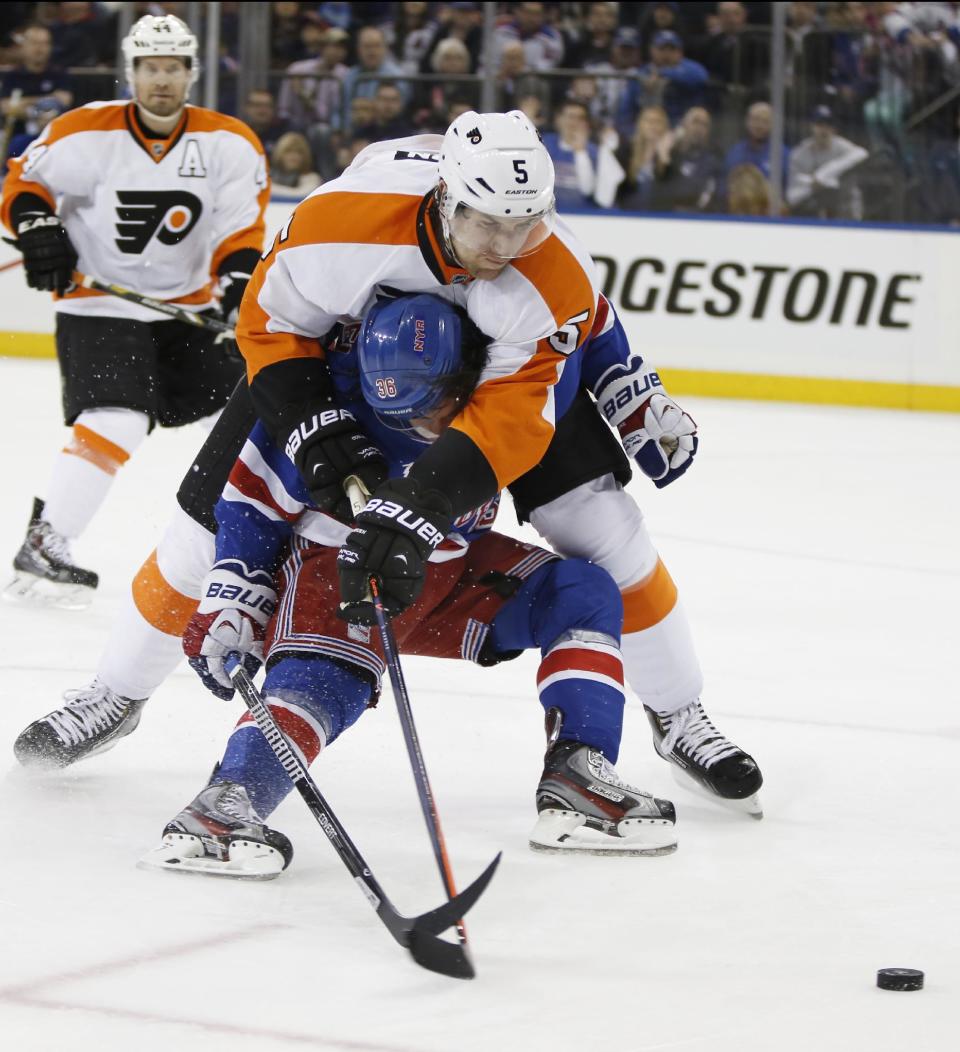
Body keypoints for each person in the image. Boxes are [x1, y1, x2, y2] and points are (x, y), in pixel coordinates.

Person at [15, 111, 763, 820]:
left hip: (499, 377)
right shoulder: (342, 223)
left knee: (607, 529)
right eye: (488, 222)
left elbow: (518, 407)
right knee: (197, 531)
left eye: (524, 222)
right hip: (353, 363)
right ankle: (114, 694)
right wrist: (315, 425)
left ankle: (677, 712)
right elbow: (270, 329)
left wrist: (622, 385)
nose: (506, 244)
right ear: (445, 193)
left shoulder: (547, 260)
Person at [139, 293, 678, 874]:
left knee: (582, 591)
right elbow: (250, 500)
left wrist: (638, 395)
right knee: (322, 685)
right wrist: (237, 594)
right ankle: (222, 806)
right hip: (340, 571)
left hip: (451, 569)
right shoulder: (331, 405)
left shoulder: (506, 389)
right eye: (403, 413)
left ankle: (580, 775)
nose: (423, 426)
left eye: (437, 405)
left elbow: (582, 313)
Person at [0, 13, 269, 607]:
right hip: (98, 303)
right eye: (150, 67)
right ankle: (48, 539)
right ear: (132, 73)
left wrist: (236, 283)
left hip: (187, 312)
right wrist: (38, 225)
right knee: (118, 418)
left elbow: (239, 228)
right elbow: (23, 185)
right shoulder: (82, 133)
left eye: (173, 67)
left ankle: (264, 548)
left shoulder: (228, 141)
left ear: (191, 74)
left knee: (251, 414)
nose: (161, 79)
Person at [786, 104, 868, 218]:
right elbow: (792, 197)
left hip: (845, 212)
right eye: (820, 125)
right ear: (812, 126)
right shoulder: (799, 154)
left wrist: (824, 174)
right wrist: (812, 185)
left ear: (834, 129)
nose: (824, 130)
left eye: (828, 125)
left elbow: (862, 154)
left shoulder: (841, 146)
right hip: (811, 214)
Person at [620, 29, 708, 129]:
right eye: (662, 49)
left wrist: (663, 73)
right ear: (652, 50)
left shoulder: (689, 68)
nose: (667, 54)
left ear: (680, 52)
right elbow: (626, 112)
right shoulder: (643, 73)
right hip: (650, 129)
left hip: (681, 128)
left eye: (672, 49)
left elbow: (701, 77)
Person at [0, 23, 74, 141]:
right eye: (35, 43)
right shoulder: (12, 76)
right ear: (24, 46)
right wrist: (45, 102)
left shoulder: (59, 73)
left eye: (45, 43)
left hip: (53, 136)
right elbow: (5, 106)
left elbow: (65, 100)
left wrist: (23, 104)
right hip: (19, 136)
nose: (39, 49)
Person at [270, 131, 322, 196]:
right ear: (279, 154)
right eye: (288, 151)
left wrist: (270, 188)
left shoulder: (312, 178)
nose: (294, 156)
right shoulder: (267, 176)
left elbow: (302, 195)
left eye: (299, 152)